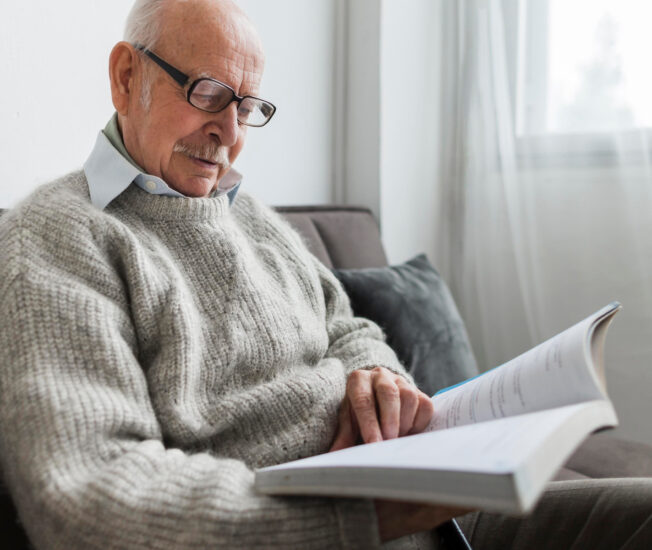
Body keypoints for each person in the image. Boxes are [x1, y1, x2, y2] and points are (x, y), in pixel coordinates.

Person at [0, 1, 650, 549]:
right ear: (125, 76)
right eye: (209, 94)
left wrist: (379, 377)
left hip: (435, 504)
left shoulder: (246, 212)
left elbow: (348, 324)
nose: (228, 133)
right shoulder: (58, 235)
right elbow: (88, 492)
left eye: (247, 106)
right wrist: (357, 516)